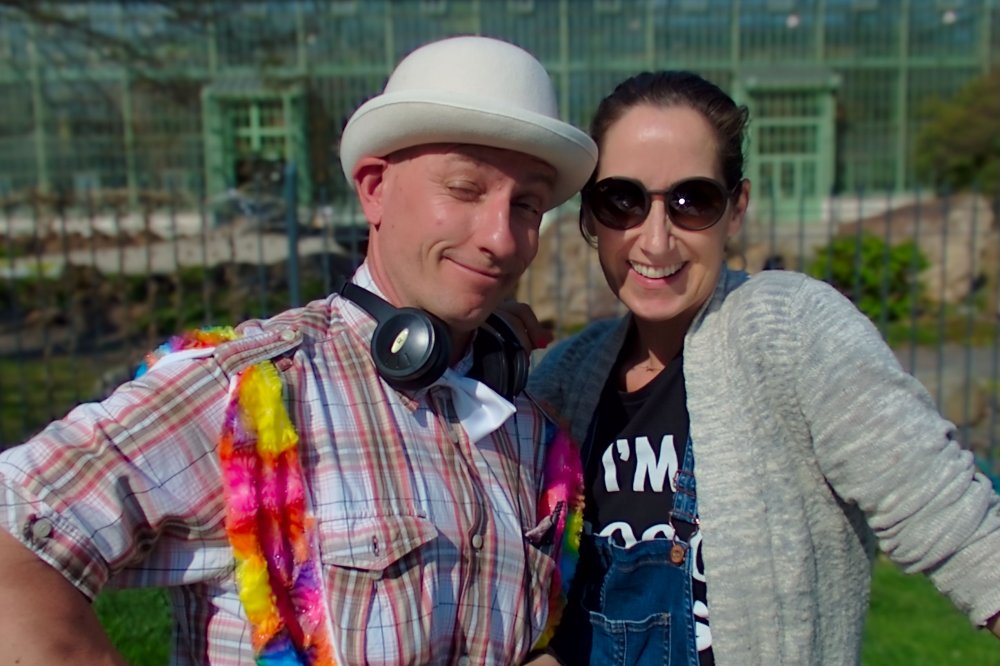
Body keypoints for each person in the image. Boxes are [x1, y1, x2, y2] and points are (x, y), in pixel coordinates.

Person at [0, 36, 597, 665]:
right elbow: (14, 533)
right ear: (374, 189)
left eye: (526, 205)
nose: (502, 238)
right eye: (466, 189)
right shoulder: (254, 393)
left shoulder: (526, 427)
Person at [523, 71, 1000, 665]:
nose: (655, 240)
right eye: (622, 200)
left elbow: (951, 518)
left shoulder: (790, 331)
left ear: (736, 209)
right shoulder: (566, 377)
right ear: (589, 216)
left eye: (692, 201)